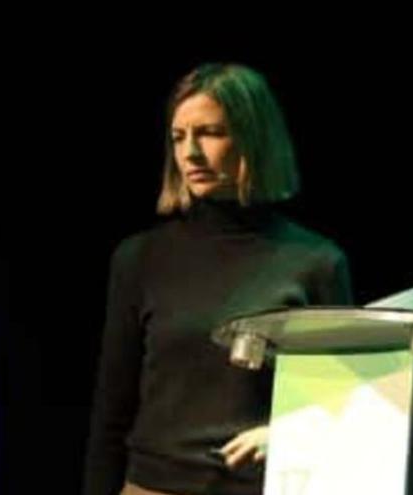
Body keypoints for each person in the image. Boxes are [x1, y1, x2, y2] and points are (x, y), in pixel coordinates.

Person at [83, 63, 353, 495]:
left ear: (254, 139)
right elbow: (111, 411)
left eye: (209, 133)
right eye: (178, 137)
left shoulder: (315, 262)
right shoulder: (140, 259)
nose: (190, 152)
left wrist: (288, 435)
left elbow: (339, 403)